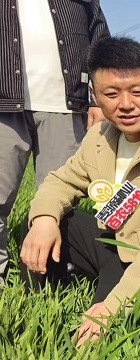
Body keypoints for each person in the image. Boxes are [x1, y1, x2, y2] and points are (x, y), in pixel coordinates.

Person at [18, 37, 140, 345]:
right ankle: (33, 314)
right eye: (111, 93)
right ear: (94, 95)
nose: (126, 104)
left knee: (99, 335)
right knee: (54, 225)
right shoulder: (99, 137)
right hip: (112, 240)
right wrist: (43, 219)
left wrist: (111, 306)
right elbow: (61, 180)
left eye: (137, 92)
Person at [0, 0, 110, 286]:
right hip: (3, 103)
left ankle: (52, 276)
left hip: (65, 104)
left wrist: (99, 99)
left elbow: (100, 41)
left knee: (60, 199)